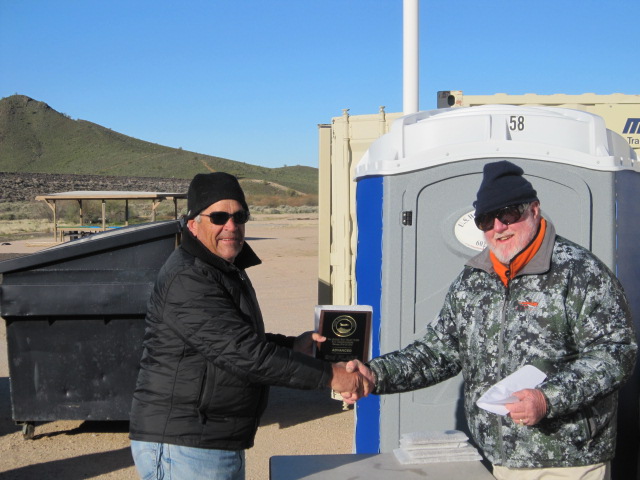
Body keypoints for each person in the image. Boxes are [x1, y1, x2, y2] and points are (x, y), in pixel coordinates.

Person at [345, 160, 637, 480]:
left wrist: (548, 399)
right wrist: (376, 375)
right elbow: (439, 351)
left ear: (534, 210)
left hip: (566, 458)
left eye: (509, 213)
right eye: (486, 219)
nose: (499, 227)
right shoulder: (474, 278)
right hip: (496, 459)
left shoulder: (580, 272)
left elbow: (615, 353)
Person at [129, 172, 368, 480]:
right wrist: (331, 376)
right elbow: (244, 354)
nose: (231, 226)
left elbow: (237, 339)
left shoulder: (221, 269)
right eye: (218, 217)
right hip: (186, 445)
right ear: (193, 224)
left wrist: (293, 346)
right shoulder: (189, 278)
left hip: (210, 439)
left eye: (239, 216)